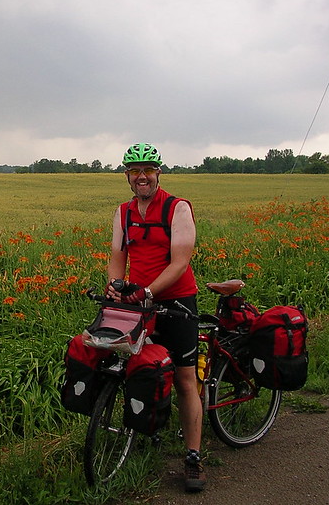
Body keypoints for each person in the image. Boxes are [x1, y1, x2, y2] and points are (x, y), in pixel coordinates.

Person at [105, 142, 206, 492]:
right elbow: (118, 256)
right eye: (135, 171)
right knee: (140, 369)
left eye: (148, 170)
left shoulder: (177, 208)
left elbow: (180, 262)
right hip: (139, 302)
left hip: (176, 302)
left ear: (158, 172)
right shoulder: (123, 212)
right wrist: (115, 287)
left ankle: (193, 458)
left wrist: (149, 291)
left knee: (184, 379)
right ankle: (149, 431)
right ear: (127, 176)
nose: (141, 177)